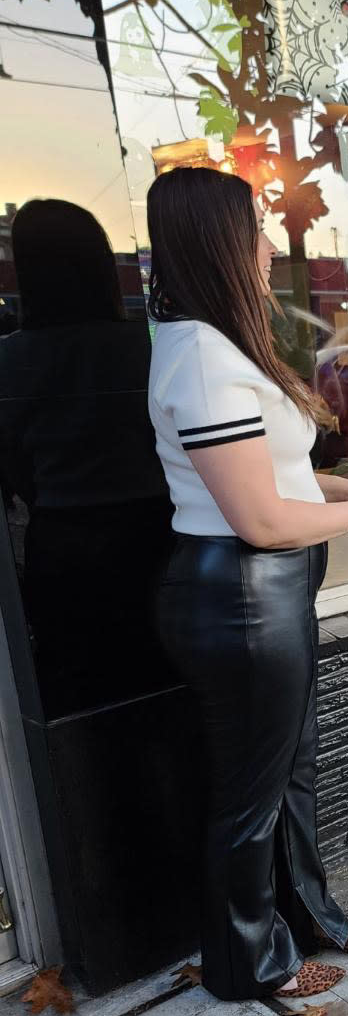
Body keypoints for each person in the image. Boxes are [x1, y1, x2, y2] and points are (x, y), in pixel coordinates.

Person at [147, 166, 348, 1001]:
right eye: (254, 227)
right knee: (251, 797)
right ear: (219, 244)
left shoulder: (221, 347)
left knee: (291, 774)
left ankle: (313, 920)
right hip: (242, 601)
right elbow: (258, 518)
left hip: (269, 598)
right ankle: (248, 963)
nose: (267, 244)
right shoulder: (201, 360)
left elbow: (275, 473)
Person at [0, 199, 174, 717]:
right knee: (166, 687)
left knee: (79, 709)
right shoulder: (145, 345)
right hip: (156, 531)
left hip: (65, 543)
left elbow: (13, 467)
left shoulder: (10, 358)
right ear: (100, 262)